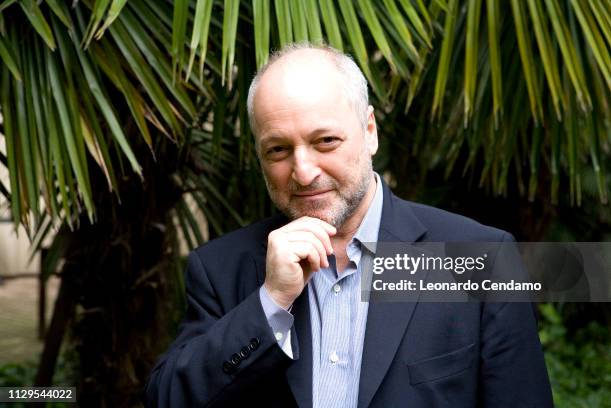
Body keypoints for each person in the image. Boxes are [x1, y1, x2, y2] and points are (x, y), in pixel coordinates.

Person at [146, 44, 553, 407]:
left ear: (370, 131)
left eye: (325, 141)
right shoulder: (221, 269)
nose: (303, 173)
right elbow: (167, 398)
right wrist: (269, 303)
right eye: (278, 149)